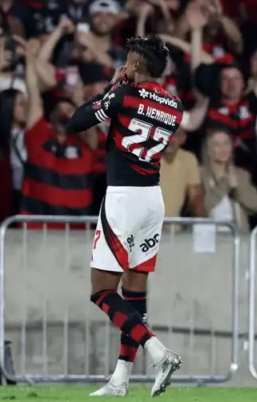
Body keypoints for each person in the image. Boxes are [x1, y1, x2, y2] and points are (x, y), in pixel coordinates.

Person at [67, 36, 184, 397]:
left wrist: (113, 86)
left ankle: (157, 351)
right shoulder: (176, 106)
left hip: (123, 199)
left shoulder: (123, 95)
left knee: (102, 291)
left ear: (134, 66)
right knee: (134, 295)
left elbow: (77, 121)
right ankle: (121, 379)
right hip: (153, 199)